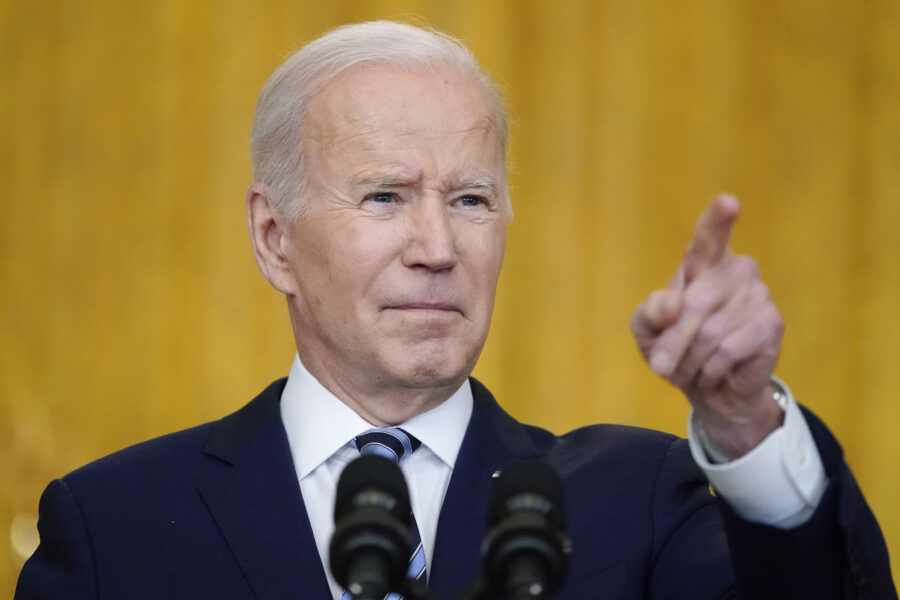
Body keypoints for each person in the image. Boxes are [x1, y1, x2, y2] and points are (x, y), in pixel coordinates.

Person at [15, 20, 896, 600]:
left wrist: (744, 421)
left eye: (471, 200)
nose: (437, 246)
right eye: (385, 197)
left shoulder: (637, 503)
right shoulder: (115, 528)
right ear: (273, 237)